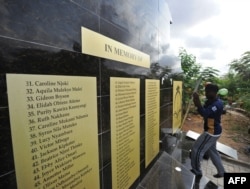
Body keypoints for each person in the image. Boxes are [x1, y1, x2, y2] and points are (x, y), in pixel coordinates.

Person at [190, 83, 225, 178]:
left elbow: (205, 113)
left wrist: (197, 102)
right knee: (212, 151)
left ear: (213, 92)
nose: (205, 94)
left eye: (207, 92)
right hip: (213, 130)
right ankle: (222, 172)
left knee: (197, 149)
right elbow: (204, 109)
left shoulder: (216, 104)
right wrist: (197, 102)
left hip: (211, 132)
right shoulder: (212, 101)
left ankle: (197, 170)